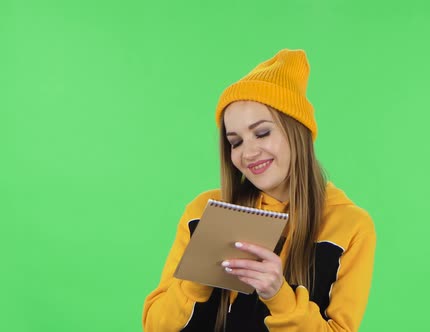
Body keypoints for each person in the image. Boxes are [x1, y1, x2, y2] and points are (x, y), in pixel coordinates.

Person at [142, 49, 376, 332]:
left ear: (297, 131)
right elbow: (155, 326)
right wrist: (196, 278)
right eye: (235, 141)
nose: (248, 152)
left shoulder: (350, 227)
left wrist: (278, 296)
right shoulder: (204, 212)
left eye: (262, 133)